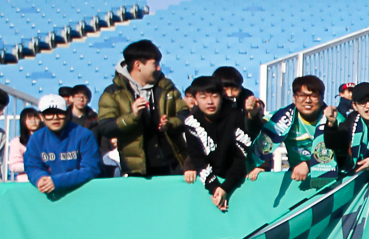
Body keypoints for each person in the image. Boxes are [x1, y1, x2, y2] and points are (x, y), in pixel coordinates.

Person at [97, 40, 185, 177]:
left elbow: (185, 116)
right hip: (136, 171)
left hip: (173, 166)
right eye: (155, 64)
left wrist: (170, 123)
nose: (159, 68)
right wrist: (132, 117)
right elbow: (105, 127)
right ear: (138, 65)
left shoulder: (167, 88)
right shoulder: (113, 93)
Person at [181, 77, 256, 210]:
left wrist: (225, 188)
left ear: (221, 97)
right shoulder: (191, 123)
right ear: (195, 99)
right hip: (213, 181)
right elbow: (198, 159)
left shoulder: (236, 117)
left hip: (239, 180)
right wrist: (215, 188)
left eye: (214, 96)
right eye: (203, 97)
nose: (210, 101)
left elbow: (242, 156)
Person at [23, 93, 100, 195]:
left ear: (67, 114)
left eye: (60, 113)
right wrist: (40, 178)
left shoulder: (84, 135)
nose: (55, 118)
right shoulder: (36, 138)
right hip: (51, 195)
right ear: (41, 117)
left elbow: (91, 168)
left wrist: (58, 181)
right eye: (49, 114)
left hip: (83, 193)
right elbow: (32, 166)